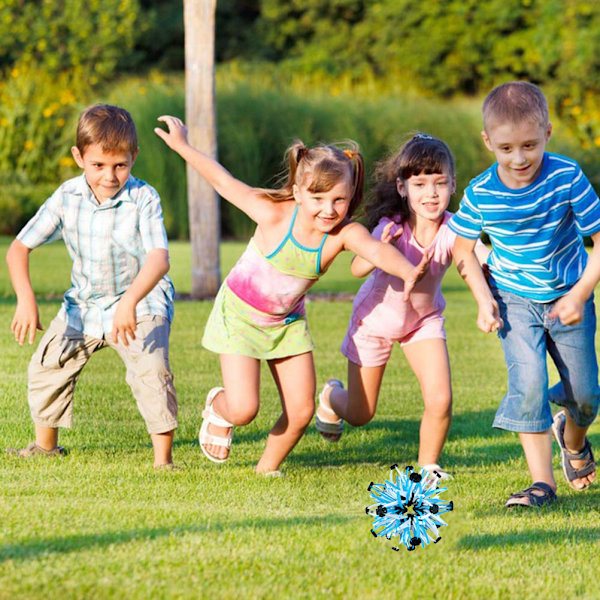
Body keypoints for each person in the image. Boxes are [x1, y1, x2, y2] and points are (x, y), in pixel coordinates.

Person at [155, 115, 431, 474]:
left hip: (286, 324)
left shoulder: (342, 234)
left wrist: (409, 271)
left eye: (339, 200)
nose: (328, 209)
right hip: (239, 316)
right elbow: (222, 181)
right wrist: (182, 146)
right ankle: (220, 409)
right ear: (299, 192)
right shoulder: (272, 213)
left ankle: (265, 469)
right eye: (318, 197)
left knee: (301, 411)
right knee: (244, 409)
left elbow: (375, 250)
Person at [450, 81, 600, 507]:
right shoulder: (481, 193)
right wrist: (484, 299)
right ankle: (542, 484)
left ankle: (572, 442)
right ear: (488, 142)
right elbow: (463, 249)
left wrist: (580, 293)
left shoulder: (567, 176)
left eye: (530, 145)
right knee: (529, 383)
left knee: (585, 397)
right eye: (507, 148)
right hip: (512, 299)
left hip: (569, 296)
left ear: (548, 134)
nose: (519, 158)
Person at [6, 104, 178, 469]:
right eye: (98, 165)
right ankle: (45, 447)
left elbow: (159, 259)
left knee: (151, 370)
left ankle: (163, 462)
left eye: (120, 165)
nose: (110, 176)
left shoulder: (143, 198)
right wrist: (25, 298)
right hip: (84, 305)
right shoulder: (66, 197)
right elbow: (19, 248)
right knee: (48, 364)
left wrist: (131, 300)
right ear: (79, 157)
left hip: (141, 302)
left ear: (134, 157)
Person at [315, 134, 489, 480]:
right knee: (361, 414)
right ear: (402, 186)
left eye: (440, 183)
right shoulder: (390, 226)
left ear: (453, 184)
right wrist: (378, 247)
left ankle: (428, 466)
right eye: (420, 184)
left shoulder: (455, 228)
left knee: (440, 399)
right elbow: (357, 269)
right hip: (374, 322)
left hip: (422, 322)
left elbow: (477, 258)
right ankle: (331, 396)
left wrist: (494, 284)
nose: (431, 193)